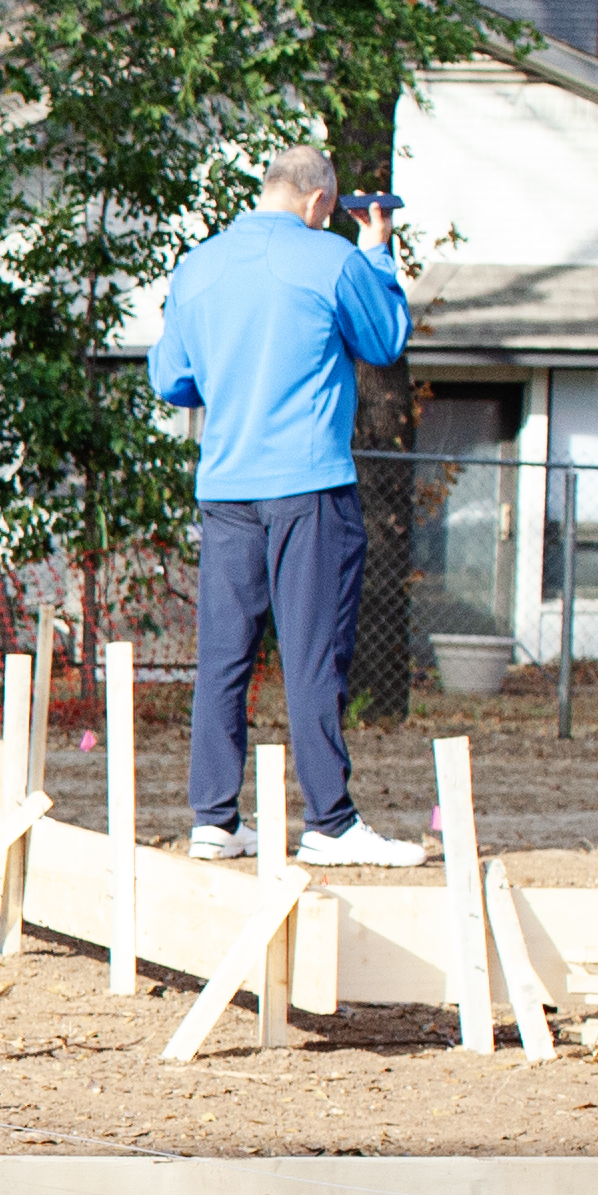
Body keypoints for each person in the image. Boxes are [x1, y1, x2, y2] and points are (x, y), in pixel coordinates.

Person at [147, 141, 427, 868]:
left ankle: (215, 819)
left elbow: (172, 379)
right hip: (307, 486)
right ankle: (329, 823)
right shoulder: (332, 258)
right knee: (312, 655)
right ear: (320, 200)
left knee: (224, 657)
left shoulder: (198, 266)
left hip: (226, 488)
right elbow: (385, 340)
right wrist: (376, 251)